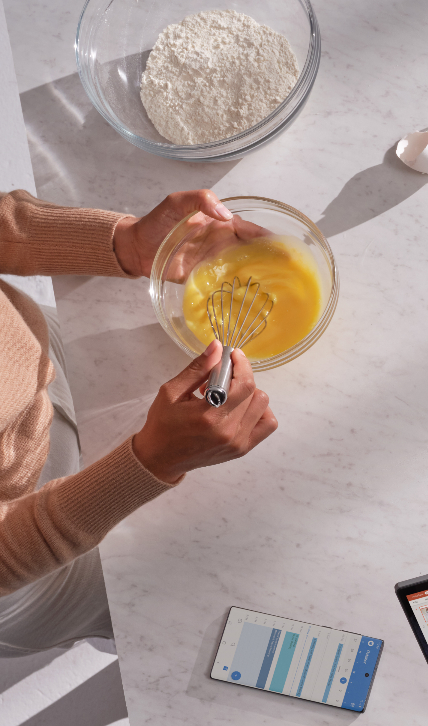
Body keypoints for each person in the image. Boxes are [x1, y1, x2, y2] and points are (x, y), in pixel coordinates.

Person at [0, 188, 278, 654]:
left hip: (34, 352)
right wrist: (151, 460)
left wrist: (126, 243)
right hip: (21, 562)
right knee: (162, 601)